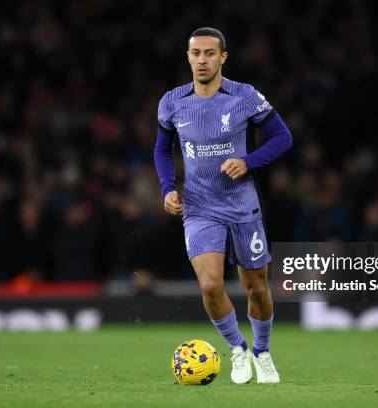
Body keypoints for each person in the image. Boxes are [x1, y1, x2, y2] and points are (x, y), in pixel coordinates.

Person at [154, 27, 292, 384]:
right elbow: (162, 149)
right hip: (199, 207)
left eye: (209, 53)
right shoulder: (172, 101)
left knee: (257, 288)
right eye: (196, 53)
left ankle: (262, 351)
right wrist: (169, 188)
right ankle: (238, 349)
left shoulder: (244, 96)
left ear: (222, 58)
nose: (202, 60)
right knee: (211, 286)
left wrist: (249, 161)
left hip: (242, 203)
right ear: (188, 57)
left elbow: (282, 137)